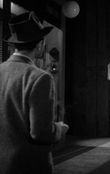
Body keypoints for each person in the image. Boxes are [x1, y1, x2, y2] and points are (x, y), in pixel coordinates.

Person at [0, 12, 69, 174]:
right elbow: (40, 133)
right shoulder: (40, 78)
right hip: (28, 165)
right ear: (40, 44)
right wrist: (60, 128)